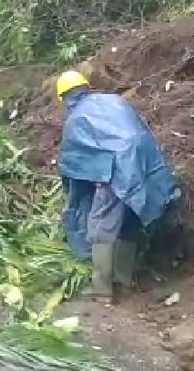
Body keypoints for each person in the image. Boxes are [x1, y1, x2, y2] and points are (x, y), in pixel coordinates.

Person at [56, 70, 180, 302]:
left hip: (116, 168)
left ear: (65, 97)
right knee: (129, 221)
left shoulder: (76, 119)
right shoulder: (113, 100)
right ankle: (123, 281)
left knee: (101, 225)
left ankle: (102, 289)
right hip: (143, 161)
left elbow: (74, 162)